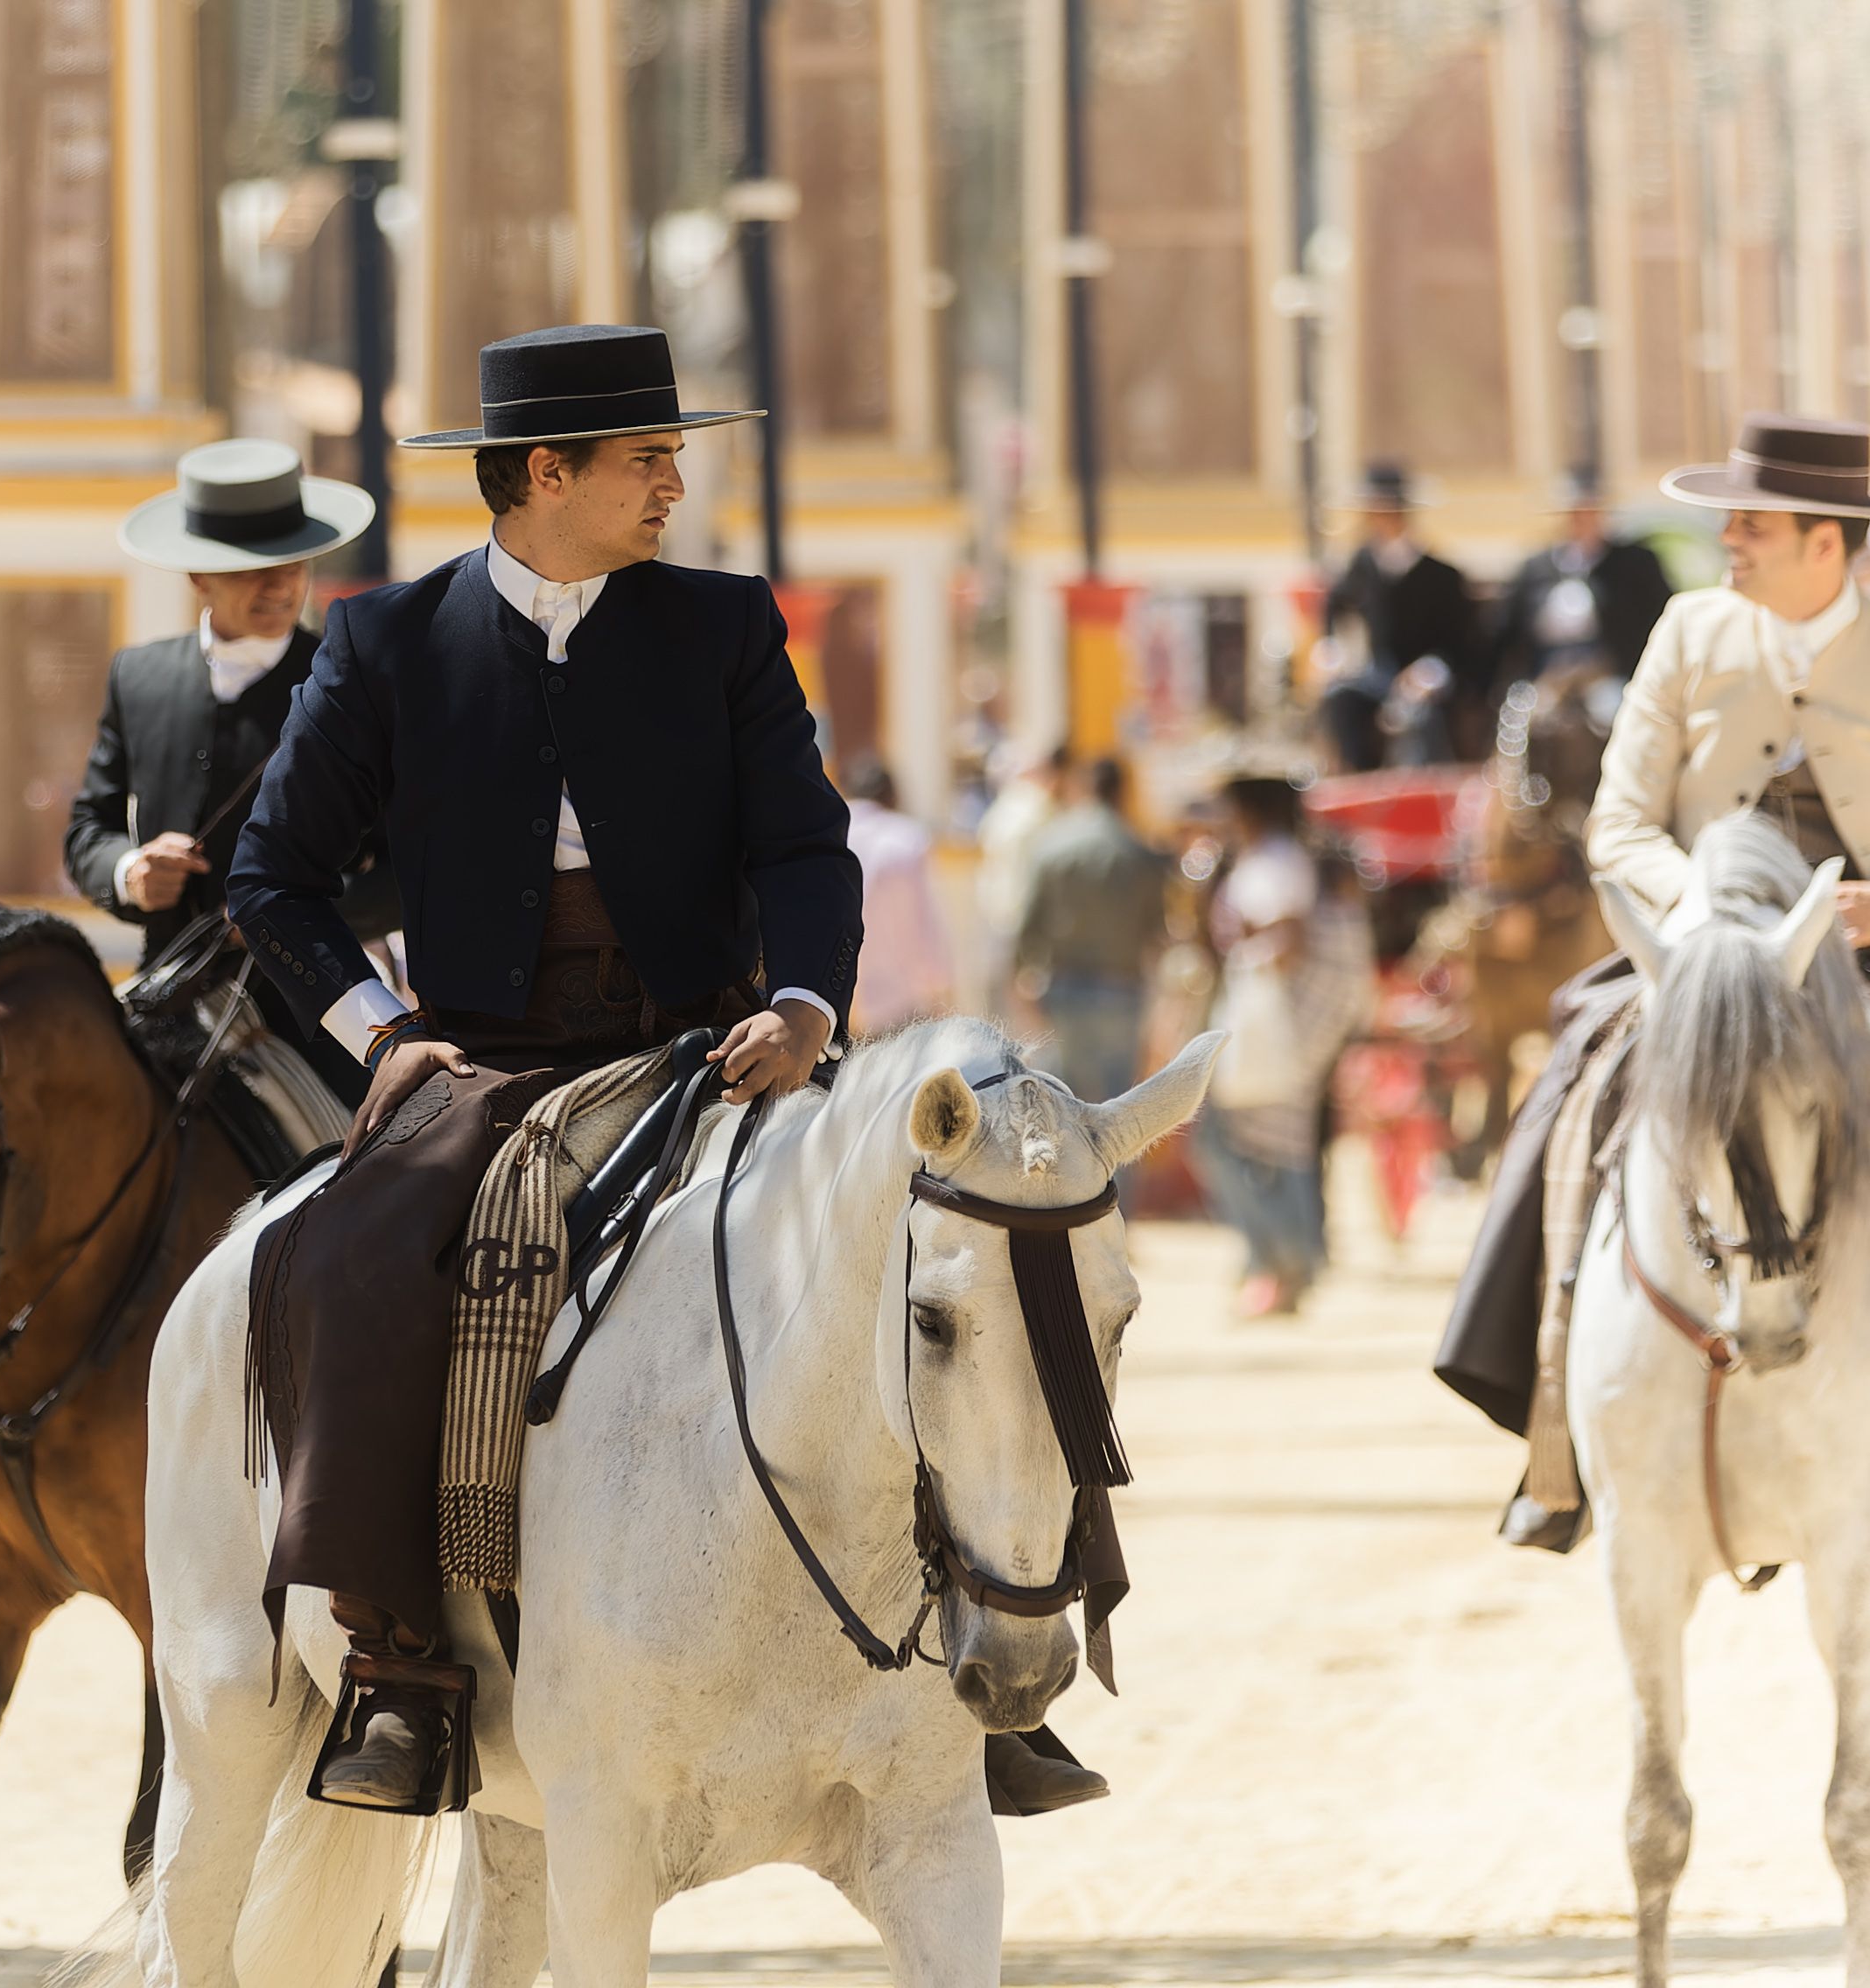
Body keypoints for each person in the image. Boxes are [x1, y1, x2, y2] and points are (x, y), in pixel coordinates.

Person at [233, 324, 1101, 1819]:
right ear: (545, 474)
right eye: (648, 458)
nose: (674, 481)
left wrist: (811, 1005)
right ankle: (394, 1670)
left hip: (720, 1044)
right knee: (355, 1258)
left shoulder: (720, 623)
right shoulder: (384, 642)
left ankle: (1009, 1654)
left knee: (972, 1248)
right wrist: (382, 1034)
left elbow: (799, 842)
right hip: (487, 1059)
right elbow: (273, 875)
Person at [1437, 414, 1870, 1519]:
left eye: (1751, 523)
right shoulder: (1687, 632)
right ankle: (1553, 1424)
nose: (1729, 540)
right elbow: (1618, 827)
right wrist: (1703, 914)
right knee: (1571, 1092)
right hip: (1700, 953)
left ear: (1823, 544)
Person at [67, 438, 396, 1103]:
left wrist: (290, 916)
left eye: (294, 561)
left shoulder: (359, 684)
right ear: (198, 576)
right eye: (253, 568)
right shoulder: (140, 676)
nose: (280, 584)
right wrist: (132, 874)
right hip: (166, 1005)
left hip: (318, 1014)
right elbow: (87, 828)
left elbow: (405, 870)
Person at [1186, 771, 1375, 1317]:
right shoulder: (1276, 857)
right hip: (1269, 1020)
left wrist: (1246, 942)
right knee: (1271, 1142)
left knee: (1228, 1140)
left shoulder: (1274, 862)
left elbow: (1287, 942)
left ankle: (1282, 1261)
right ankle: (1283, 1263)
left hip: (1270, 1023)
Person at [1015, 756, 1169, 1103]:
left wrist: (1019, 977)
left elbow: (1028, 923)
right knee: (1117, 1108)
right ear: (1122, 791)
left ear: (1085, 788)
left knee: (1062, 1101)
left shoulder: (1051, 845)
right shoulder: (1139, 852)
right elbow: (1157, 930)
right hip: (1121, 988)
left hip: (1064, 986)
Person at [1318, 464, 1484, 771]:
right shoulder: (1362, 565)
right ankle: (1357, 780)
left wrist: (1430, 671)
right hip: (1379, 673)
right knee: (1341, 697)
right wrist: (1331, 648)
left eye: (1389, 511)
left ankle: (1427, 786)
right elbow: (1333, 605)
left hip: (1430, 675)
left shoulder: (1443, 575)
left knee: (1421, 715)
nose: (1382, 519)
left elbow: (1463, 640)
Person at [1487, 470, 1677, 696]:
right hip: (1547, 670)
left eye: (1589, 512)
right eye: (1575, 512)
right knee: (1524, 719)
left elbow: (1663, 615)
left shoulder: (1634, 563)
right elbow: (1507, 627)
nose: (1582, 519)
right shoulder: (1537, 566)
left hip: (1608, 671)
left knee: (1611, 709)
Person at [842, 757, 954, 1034]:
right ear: (893, 795)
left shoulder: (829, 836)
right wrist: (941, 990)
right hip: (896, 1003)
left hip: (831, 1002)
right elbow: (923, 925)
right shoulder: (906, 838)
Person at [973, 739, 1069, 1002]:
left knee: (1000, 997)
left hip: (996, 912)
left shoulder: (1004, 807)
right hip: (1024, 916)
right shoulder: (1039, 808)